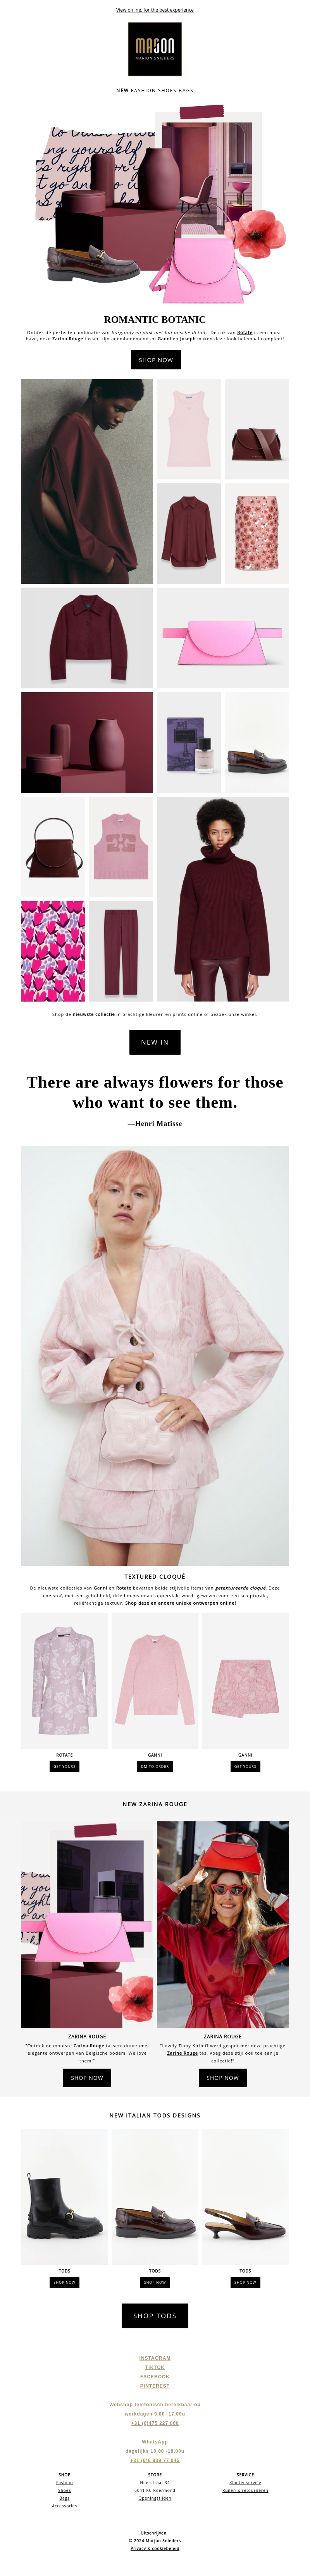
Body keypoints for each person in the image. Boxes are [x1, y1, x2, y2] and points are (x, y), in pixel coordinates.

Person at [39, 1148, 282, 1568]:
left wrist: (202, 1404)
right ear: (95, 1202)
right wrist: (103, 1374)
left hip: (170, 1459)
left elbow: (260, 1349)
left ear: (154, 1209)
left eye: (140, 1193)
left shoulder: (189, 1270)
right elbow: (53, 1370)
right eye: (114, 1190)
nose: (126, 1201)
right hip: (100, 1463)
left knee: (149, 1597)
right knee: (106, 1599)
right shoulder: (78, 1288)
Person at [29, 379, 144, 582]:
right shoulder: (72, 427)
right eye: (118, 408)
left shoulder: (86, 434)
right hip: (90, 564)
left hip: (98, 564)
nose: (121, 419)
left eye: (127, 412)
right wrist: (99, 556)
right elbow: (42, 499)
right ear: (97, 395)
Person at [157, 1853, 288, 2027]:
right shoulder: (190, 1938)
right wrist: (186, 1882)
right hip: (203, 2024)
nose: (228, 1896)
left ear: (245, 1897)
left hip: (245, 2025)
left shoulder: (262, 1942)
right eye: (220, 1889)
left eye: (237, 1890)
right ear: (213, 1897)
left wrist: (267, 1896)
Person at [175, 798, 270, 1002]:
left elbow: (256, 922)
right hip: (201, 954)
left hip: (238, 955)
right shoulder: (194, 870)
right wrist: (184, 969)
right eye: (214, 832)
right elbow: (186, 922)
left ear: (234, 833)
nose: (220, 838)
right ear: (207, 834)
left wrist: (256, 970)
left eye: (226, 832)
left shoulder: (247, 870)